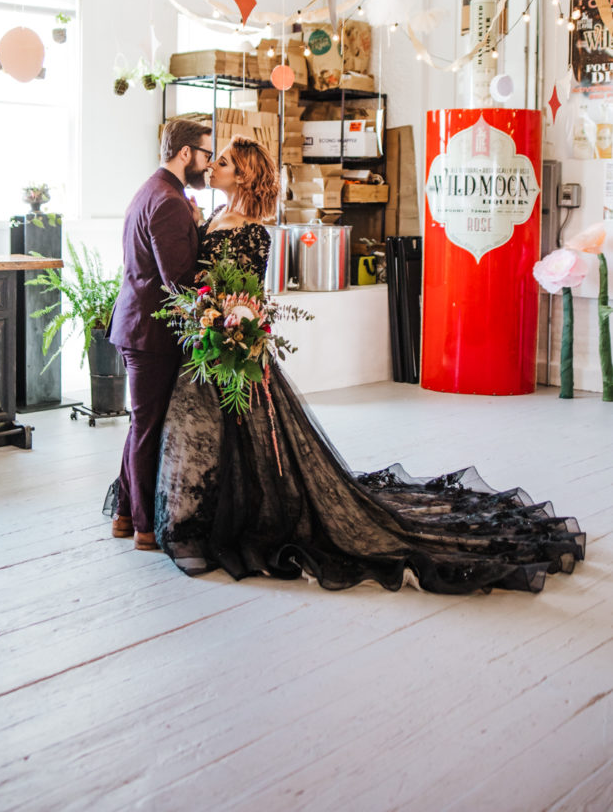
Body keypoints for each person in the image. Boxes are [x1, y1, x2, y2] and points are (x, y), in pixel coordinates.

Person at [109, 135, 585, 593]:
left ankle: (230, 517)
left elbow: (248, 292)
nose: (213, 165)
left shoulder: (253, 232)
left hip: (228, 345)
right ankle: (183, 513)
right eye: (213, 159)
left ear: (244, 178)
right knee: (192, 437)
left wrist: (235, 320)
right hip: (204, 347)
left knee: (236, 442)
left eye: (225, 162)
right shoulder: (211, 212)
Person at [107, 118, 213, 550]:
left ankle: (123, 514)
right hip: (152, 334)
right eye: (206, 154)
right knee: (149, 428)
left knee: (141, 424)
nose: (208, 163)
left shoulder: (153, 189)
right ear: (186, 153)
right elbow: (179, 281)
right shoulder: (168, 201)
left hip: (137, 326)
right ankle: (146, 527)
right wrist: (213, 284)